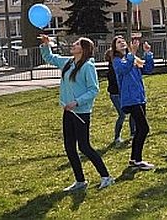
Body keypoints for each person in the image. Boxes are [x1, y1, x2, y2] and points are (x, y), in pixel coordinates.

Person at [40, 34, 114, 191]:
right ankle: (80, 181)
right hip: (68, 112)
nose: (73, 44)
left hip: (81, 113)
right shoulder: (68, 62)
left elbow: (94, 89)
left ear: (84, 49)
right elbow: (50, 58)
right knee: (69, 147)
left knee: (85, 147)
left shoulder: (88, 66)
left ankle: (106, 177)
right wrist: (46, 45)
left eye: (77, 43)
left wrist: (77, 102)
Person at [112, 35, 155, 170]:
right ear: (115, 47)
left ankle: (134, 158)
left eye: (123, 41)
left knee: (139, 130)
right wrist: (133, 52)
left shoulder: (132, 59)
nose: (122, 43)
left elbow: (147, 69)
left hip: (140, 98)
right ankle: (137, 159)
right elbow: (123, 69)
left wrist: (147, 53)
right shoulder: (117, 60)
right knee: (144, 128)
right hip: (130, 99)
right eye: (118, 42)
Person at [105, 48, 135, 146]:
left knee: (133, 112)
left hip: (124, 93)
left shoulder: (122, 65)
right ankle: (117, 137)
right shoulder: (112, 68)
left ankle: (133, 133)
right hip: (116, 94)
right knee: (122, 115)